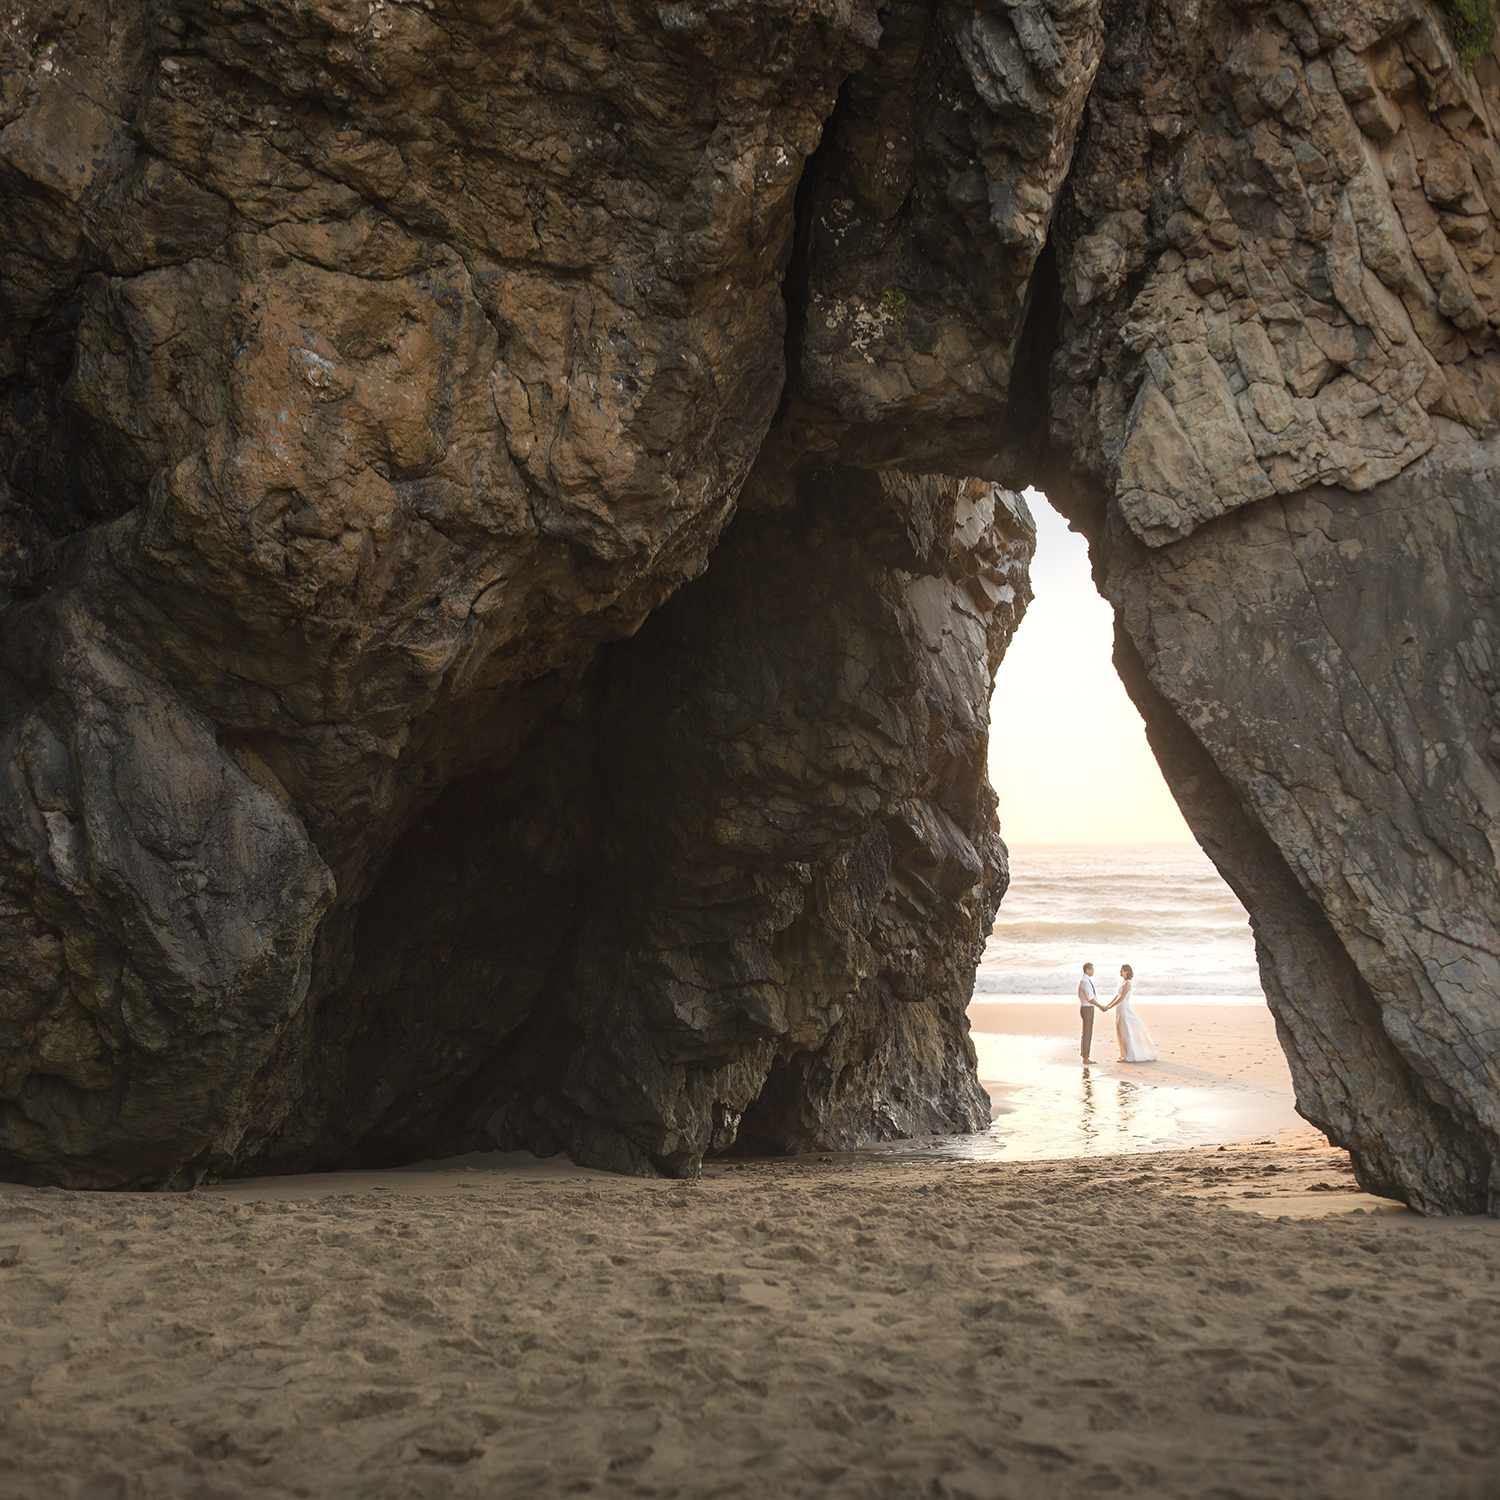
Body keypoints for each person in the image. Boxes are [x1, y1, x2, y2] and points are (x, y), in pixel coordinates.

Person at [1100, 963, 1157, 1062]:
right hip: (1119, 1009)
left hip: (1124, 1009)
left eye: (1121, 970)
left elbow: (1122, 998)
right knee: (1120, 1031)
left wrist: (1109, 1007)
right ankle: (1123, 1054)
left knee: (1125, 1031)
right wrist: (1108, 1006)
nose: (1120, 972)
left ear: (1126, 971)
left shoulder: (1128, 983)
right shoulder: (1122, 983)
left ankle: (1127, 1056)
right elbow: (1117, 996)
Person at [1077, 963, 1100, 1064]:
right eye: (1092, 969)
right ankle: (1086, 1058)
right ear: (1087, 970)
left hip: (1086, 1008)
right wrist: (1101, 1006)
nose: (1093, 971)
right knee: (1087, 1033)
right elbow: (1090, 998)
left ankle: (1085, 1056)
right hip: (1087, 1009)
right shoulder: (1085, 982)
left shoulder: (1085, 981)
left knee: (1086, 1033)